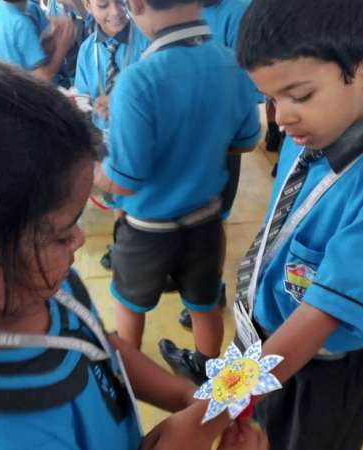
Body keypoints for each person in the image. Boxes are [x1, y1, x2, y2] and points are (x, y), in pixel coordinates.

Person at [0, 52, 266, 450]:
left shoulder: (32, 278)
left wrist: (188, 398)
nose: (80, 242)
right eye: (62, 233)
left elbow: (100, 347)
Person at [223, 0, 363, 448]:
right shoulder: (312, 135)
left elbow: (321, 314)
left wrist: (218, 408)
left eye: (299, 96)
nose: (280, 117)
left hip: (323, 371)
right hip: (266, 344)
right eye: (270, 98)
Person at [94, 0, 261, 386]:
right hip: (205, 220)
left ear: (135, 4)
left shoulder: (137, 80)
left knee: (131, 304)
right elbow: (246, 142)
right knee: (204, 304)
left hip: (146, 229)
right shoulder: (231, 64)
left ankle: (129, 374)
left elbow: (124, 181)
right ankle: (204, 368)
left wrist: (90, 168)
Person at [176, 0, 253, 329]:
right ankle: (191, 280)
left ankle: (212, 286)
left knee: (212, 220)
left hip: (219, 142)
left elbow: (246, 81)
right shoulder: (177, 10)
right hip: (180, 138)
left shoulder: (240, 11)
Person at [74, 0, 148, 132]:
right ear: (87, 5)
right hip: (101, 138)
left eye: (121, 1)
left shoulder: (147, 40)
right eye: (103, 5)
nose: (116, 11)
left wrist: (121, 101)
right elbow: (83, 102)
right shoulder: (86, 50)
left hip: (141, 132)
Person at [0, 0, 75, 82]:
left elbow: (22, 53)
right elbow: (43, 79)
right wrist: (62, 47)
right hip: (24, 94)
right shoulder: (21, 24)